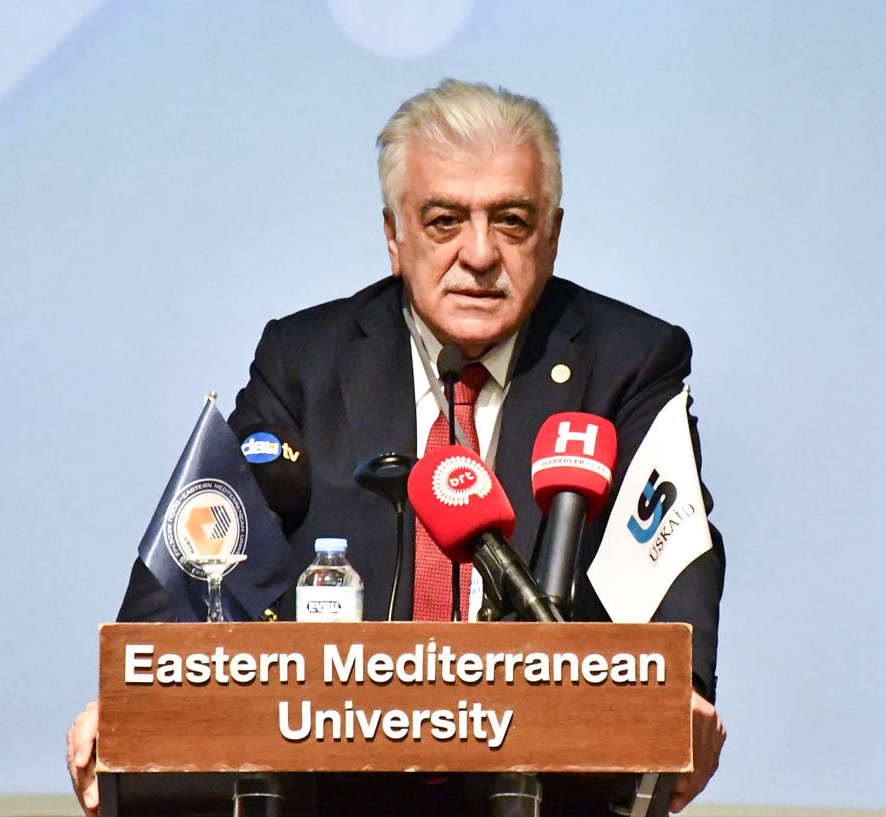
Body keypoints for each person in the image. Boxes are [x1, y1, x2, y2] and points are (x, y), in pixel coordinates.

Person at [68, 79, 725, 816]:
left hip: (547, 790)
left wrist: (685, 694)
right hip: (334, 793)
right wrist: (132, 699)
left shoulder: (630, 360)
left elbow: (671, 541)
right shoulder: (305, 361)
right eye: (445, 221)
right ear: (394, 236)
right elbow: (212, 535)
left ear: (553, 233)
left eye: (511, 220)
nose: (480, 254)